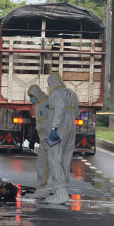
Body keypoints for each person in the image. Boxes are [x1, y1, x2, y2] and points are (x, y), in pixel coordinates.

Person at [45, 74, 78, 204]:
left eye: (49, 85)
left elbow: (59, 110)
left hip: (59, 129)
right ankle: (64, 190)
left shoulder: (56, 94)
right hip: (71, 129)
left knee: (53, 159)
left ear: (52, 83)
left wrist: (54, 128)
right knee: (65, 159)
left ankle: (60, 192)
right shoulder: (71, 93)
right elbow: (76, 111)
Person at [27, 85, 52, 199]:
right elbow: (40, 125)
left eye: (31, 96)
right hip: (44, 140)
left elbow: (52, 121)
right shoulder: (37, 104)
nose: (30, 99)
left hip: (50, 139)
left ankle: (49, 189)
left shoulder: (47, 102)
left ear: (36, 94)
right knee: (41, 164)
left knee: (49, 164)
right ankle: (42, 189)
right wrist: (34, 139)